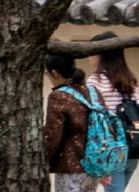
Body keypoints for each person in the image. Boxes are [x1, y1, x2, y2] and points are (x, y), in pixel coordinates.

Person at [84, 38, 139, 192]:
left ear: (102, 55)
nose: (89, 57)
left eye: (92, 53)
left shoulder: (95, 81)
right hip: (133, 145)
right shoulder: (131, 80)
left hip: (112, 147)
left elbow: (94, 118)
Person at [42, 55, 92, 191]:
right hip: (94, 163)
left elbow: (53, 135)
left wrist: (43, 161)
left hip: (71, 165)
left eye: (47, 73)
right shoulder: (91, 91)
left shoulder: (59, 96)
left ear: (55, 73)